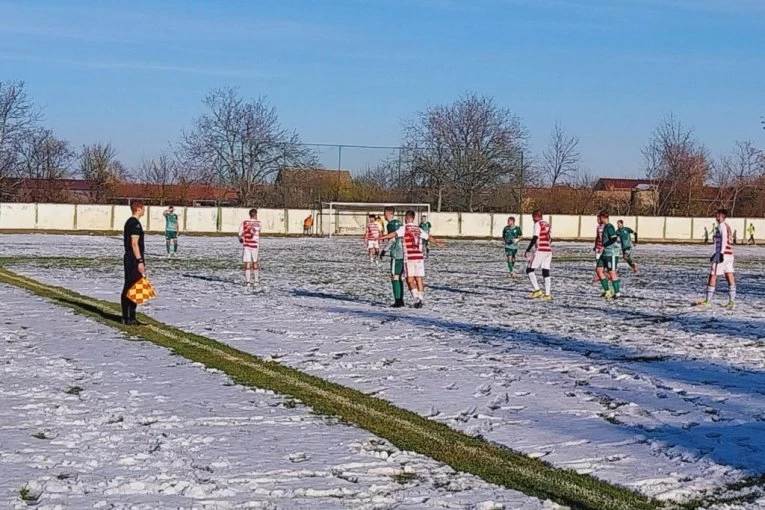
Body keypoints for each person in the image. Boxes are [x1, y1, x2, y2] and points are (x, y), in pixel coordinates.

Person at [380, 210, 444, 308]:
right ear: (414, 218)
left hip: (409, 257)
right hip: (419, 256)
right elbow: (428, 237)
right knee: (419, 279)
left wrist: (381, 238)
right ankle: (420, 299)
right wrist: (437, 243)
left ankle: (415, 299)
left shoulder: (404, 228)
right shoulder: (418, 229)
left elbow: (393, 235)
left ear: (406, 218)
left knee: (409, 279)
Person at [697, 209, 736, 309]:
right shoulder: (727, 226)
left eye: (718, 215)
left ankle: (708, 301)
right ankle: (732, 301)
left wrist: (720, 254)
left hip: (723, 254)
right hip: (729, 254)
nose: (716, 217)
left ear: (722, 216)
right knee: (729, 276)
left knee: (713, 275)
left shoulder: (722, 226)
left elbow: (724, 240)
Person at [122, 200, 146, 326]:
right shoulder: (135, 224)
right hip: (133, 258)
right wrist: (140, 261)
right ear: (139, 209)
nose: (144, 211)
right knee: (135, 287)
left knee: (128, 286)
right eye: (143, 208)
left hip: (129, 257)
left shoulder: (128, 222)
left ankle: (126, 316)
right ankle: (131, 317)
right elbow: (134, 243)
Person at [524, 209, 552, 301]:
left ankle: (537, 290)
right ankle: (547, 294)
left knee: (529, 269)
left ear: (535, 217)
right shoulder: (547, 224)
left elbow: (535, 237)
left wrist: (528, 249)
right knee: (545, 272)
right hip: (548, 250)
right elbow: (550, 239)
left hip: (540, 250)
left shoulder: (537, 224)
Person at [597, 211, 622, 299]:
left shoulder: (610, 227)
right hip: (604, 253)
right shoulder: (604, 227)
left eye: (600, 218)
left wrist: (604, 246)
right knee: (599, 270)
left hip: (611, 253)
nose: (599, 219)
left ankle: (617, 293)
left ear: (604, 217)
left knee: (612, 272)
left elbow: (614, 238)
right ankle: (607, 291)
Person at [238, 208, 261, 286]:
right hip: (255, 245)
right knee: (255, 262)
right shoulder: (259, 223)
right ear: (255, 214)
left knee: (247, 262)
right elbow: (259, 231)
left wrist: (240, 239)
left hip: (247, 245)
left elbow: (239, 234)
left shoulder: (244, 222)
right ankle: (256, 281)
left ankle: (248, 281)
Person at [592, 217, 606, 283]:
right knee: (597, 261)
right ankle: (599, 275)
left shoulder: (606, 227)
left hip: (604, 247)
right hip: (598, 247)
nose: (597, 220)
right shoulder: (598, 227)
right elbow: (597, 236)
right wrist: (595, 245)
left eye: (598, 219)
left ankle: (603, 275)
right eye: (597, 219)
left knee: (603, 262)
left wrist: (604, 246)